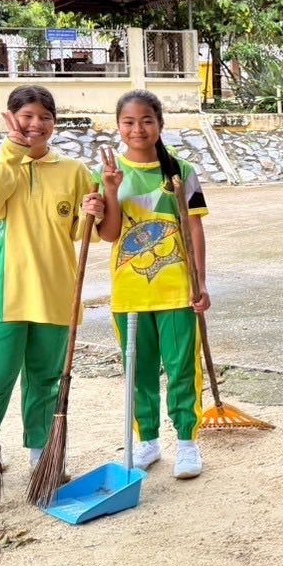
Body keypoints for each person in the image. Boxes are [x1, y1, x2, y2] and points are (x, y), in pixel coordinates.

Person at [0, 85, 121, 511]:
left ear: (54, 122)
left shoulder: (72, 171)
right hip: (2, 296)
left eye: (44, 117)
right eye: (26, 116)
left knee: (47, 383)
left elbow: (78, 233)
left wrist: (96, 209)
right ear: (10, 118)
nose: (36, 125)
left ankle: (43, 458)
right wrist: (12, 152)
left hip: (55, 294)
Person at [108, 89, 211, 480]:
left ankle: (187, 441)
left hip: (177, 289)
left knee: (183, 366)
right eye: (130, 122)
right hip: (130, 292)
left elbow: (196, 227)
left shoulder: (181, 171)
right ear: (119, 126)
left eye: (147, 120)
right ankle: (147, 440)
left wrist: (199, 281)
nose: (138, 129)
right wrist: (110, 190)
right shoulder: (108, 173)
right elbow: (109, 233)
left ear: (160, 125)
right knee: (139, 369)